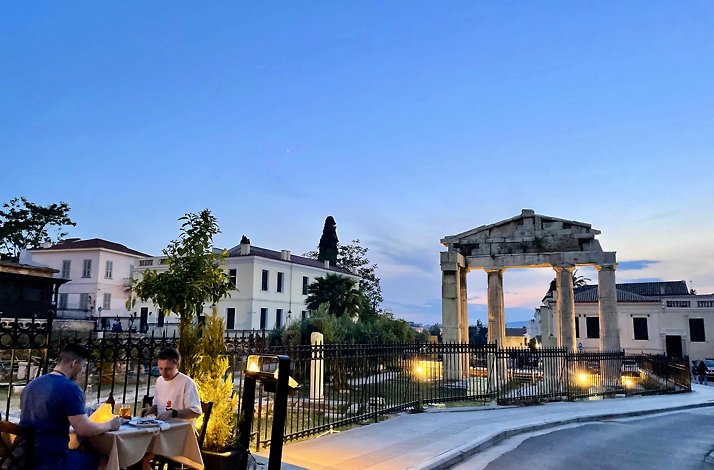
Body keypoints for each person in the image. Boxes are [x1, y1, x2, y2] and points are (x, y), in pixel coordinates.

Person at [20, 343, 122, 470]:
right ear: (74, 363)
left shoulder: (31, 385)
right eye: (83, 365)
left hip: (23, 456)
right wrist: (111, 425)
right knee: (105, 461)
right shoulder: (70, 389)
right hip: (52, 460)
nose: (83, 370)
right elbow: (83, 429)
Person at [142, 347, 202, 425]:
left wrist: (173, 413)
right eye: (161, 368)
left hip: (180, 430)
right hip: (161, 427)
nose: (163, 373)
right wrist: (150, 410)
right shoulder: (160, 380)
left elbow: (195, 412)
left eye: (168, 369)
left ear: (177, 365)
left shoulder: (187, 383)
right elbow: (157, 404)